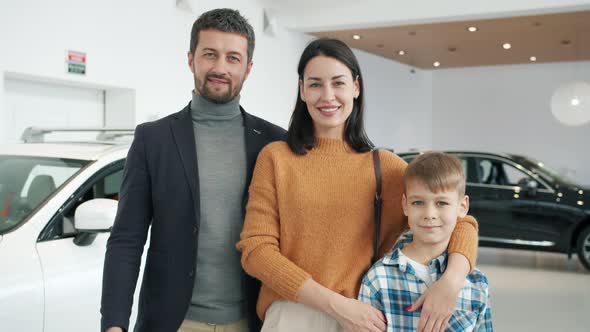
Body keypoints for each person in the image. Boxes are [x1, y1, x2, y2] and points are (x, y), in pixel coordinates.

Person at [236, 38, 479, 332]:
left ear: (356, 87)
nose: (328, 96)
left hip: (364, 318)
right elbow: (256, 251)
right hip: (294, 316)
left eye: (338, 83)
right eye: (315, 84)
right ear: (302, 90)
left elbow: (461, 221)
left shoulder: (384, 167)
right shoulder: (276, 158)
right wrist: (336, 305)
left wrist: (451, 282)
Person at [101, 8, 286, 332]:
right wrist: (114, 323)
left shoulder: (273, 142)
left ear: (248, 67)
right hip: (173, 322)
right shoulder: (153, 139)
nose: (220, 67)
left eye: (233, 58)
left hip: (253, 321)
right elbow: (126, 240)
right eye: (210, 54)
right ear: (191, 59)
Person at [359, 152, 493, 332]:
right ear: (405, 205)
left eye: (442, 203)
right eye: (418, 202)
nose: (429, 214)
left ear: (462, 207)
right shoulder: (378, 279)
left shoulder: (476, 283)